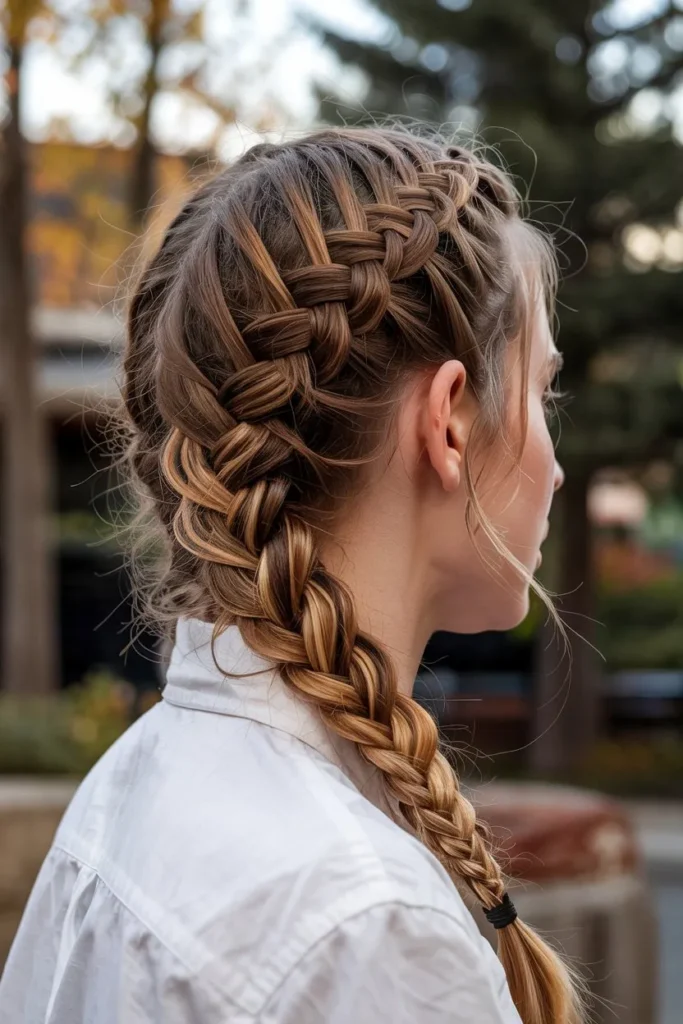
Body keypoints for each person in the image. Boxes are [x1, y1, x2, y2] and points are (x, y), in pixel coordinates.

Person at [0, 128, 586, 1024]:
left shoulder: (133, 786)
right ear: (450, 425)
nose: (553, 466)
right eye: (541, 393)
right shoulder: (365, 930)